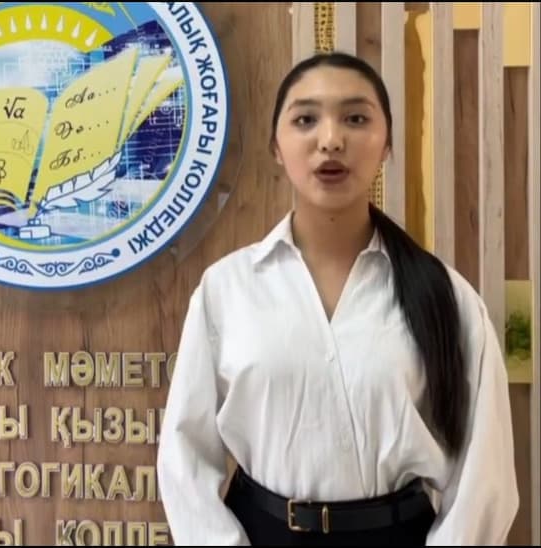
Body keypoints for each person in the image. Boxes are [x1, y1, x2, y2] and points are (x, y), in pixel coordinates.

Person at [156, 51, 519, 546]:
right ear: (277, 147)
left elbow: (484, 476)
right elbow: (185, 454)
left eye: (356, 119)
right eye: (305, 119)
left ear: (387, 143)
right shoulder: (227, 289)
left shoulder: (446, 296)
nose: (330, 140)